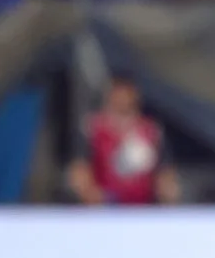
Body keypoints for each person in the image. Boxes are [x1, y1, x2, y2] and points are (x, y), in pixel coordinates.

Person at [68, 75, 181, 205]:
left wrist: (168, 191)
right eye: (118, 94)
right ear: (110, 95)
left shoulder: (151, 131)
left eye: (126, 94)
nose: (122, 98)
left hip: (144, 207)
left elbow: (166, 172)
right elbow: (79, 170)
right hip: (105, 204)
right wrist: (89, 193)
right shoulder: (92, 129)